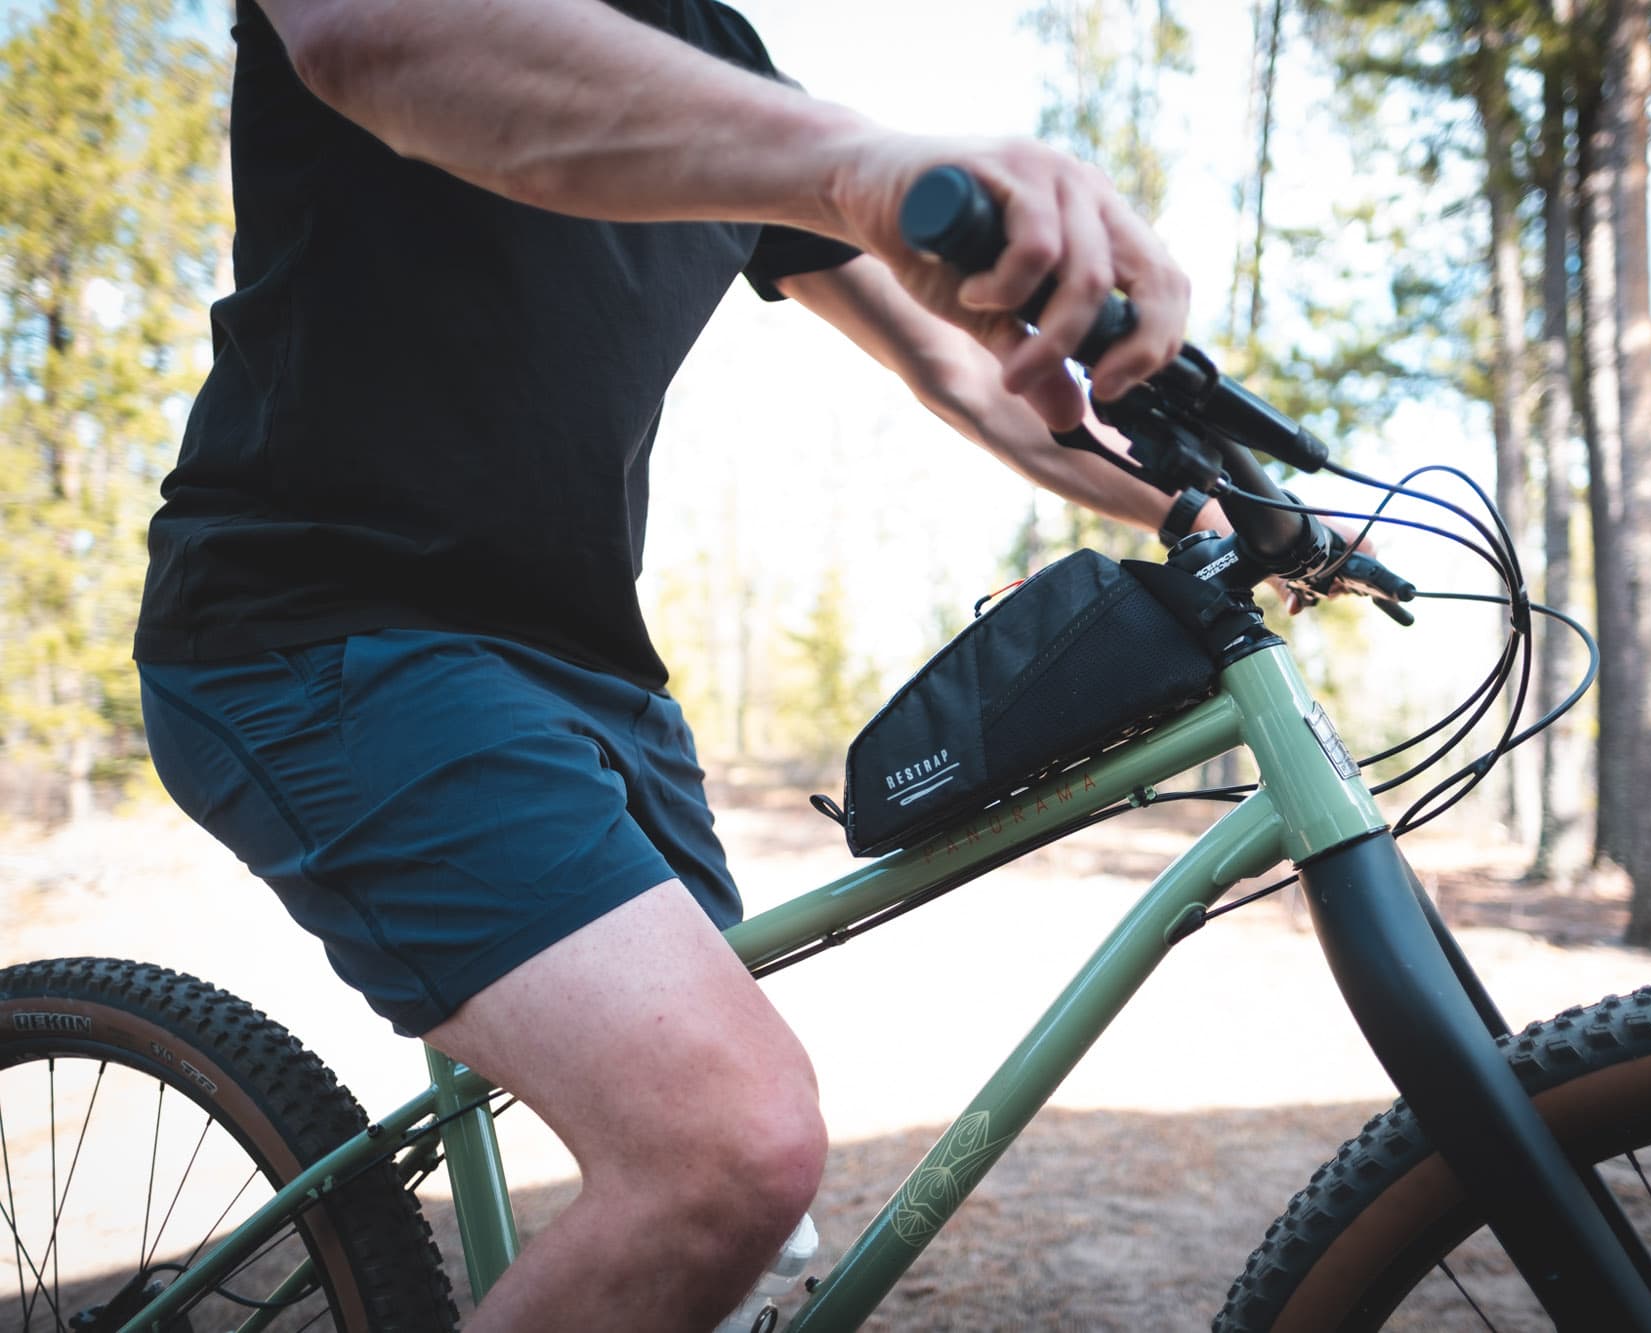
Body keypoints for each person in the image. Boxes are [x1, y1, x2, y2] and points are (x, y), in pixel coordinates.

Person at [133, 1, 1220, 1328]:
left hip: (594, 669)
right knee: (725, 1153)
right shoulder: (749, 113)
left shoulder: (716, 55)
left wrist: (1201, 504)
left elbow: (959, 361)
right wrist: (848, 162)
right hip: (325, 624)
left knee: (746, 1246)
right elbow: (381, 37)